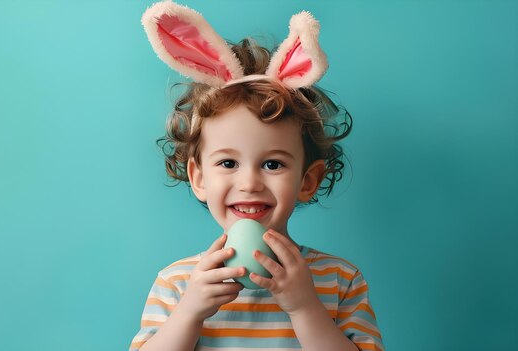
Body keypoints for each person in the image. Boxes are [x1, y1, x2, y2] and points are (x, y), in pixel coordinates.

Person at [130, 2, 384, 350]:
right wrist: (189, 312)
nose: (249, 183)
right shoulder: (177, 284)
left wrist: (304, 306)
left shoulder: (338, 280)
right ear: (199, 178)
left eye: (273, 164)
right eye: (228, 164)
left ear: (308, 181)